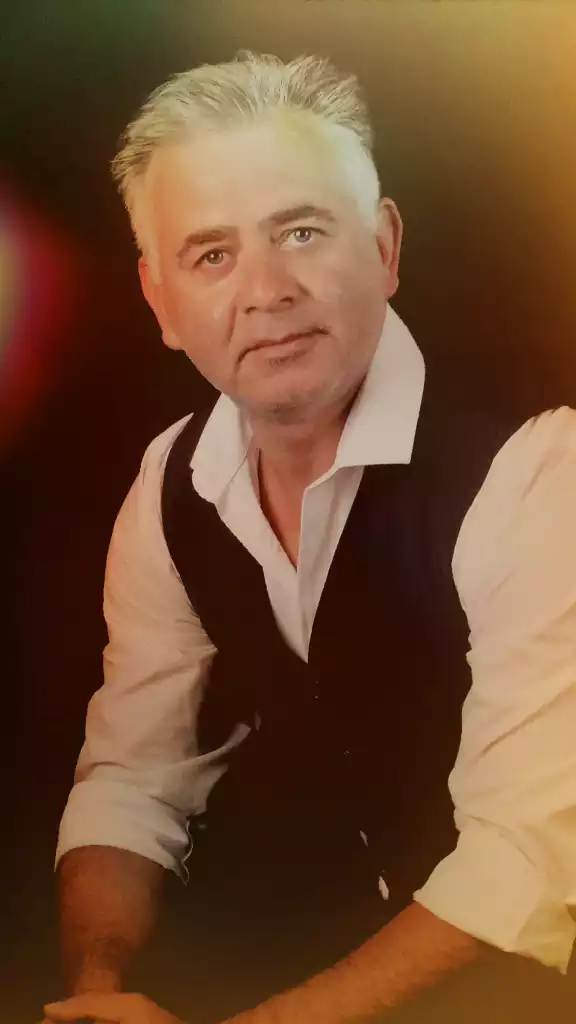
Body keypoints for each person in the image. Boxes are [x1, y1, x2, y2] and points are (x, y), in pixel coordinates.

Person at [42, 51, 576, 1024]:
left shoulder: (537, 462)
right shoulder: (171, 481)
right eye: (212, 255)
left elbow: (528, 863)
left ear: (384, 246)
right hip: (338, 955)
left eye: (301, 231)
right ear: (160, 302)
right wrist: (98, 985)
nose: (266, 290)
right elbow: (133, 779)